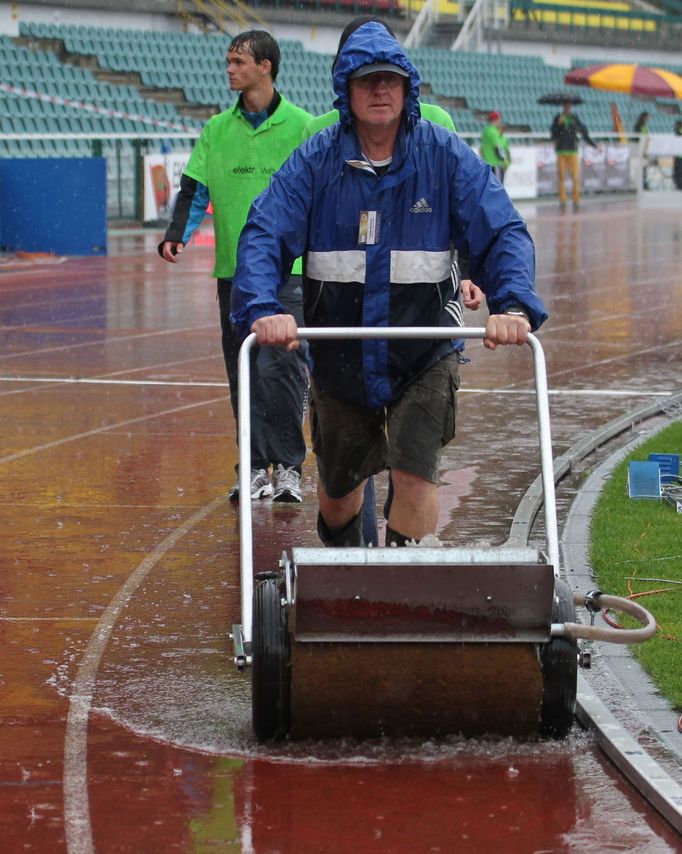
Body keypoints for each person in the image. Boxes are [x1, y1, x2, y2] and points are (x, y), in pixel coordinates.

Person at [231, 21, 547, 549]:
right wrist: (263, 305)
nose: (380, 92)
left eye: (390, 81)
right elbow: (264, 231)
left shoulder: (443, 156)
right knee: (338, 492)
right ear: (345, 91)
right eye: (367, 82)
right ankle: (345, 579)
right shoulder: (315, 163)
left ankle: (405, 599)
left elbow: (504, 229)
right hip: (339, 356)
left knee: (415, 475)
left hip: (424, 350)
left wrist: (513, 304)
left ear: (407, 88)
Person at [159, 30, 311, 503]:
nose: (229, 69)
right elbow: (194, 187)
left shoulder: (303, 126)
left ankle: (287, 466)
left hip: (291, 271)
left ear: (266, 66)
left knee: (281, 369)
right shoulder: (216, 130)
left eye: (238, 61)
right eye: (227, 61)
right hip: (233, 273)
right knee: (241, 370)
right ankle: (252, 466)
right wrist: (176, 235)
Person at [550, 100, 597, 212]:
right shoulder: (558, 118)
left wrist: (594, 145)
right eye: (566, 105)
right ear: (563, 107)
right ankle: (563, 200)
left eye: (569, 106)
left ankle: (576, 200)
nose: (568, 108)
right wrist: (558, 125)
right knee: (561, 177)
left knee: (575, 177)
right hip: (561, 151)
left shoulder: (574, 118)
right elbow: (553, 134)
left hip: (573, 151)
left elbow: (584, 133)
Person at [480, 110, 511, 184]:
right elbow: (498, 148)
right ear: (497, 119)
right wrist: (505, 162)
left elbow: (482, 149)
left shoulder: (486, 130)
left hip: (488, 162)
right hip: (495, 164)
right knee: (498, 186)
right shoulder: (493, 131)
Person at [633, 111, 650, 189]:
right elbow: (636, 137)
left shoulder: (644, 126)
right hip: (640, 149)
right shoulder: (638, 126)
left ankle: (644, 183)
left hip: (645, 149)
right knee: (641, 167)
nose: (648, 119)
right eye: (647, 117)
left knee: (644, 167)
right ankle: (641, 183)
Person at [673, 118, 682, 191]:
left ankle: (679, 185)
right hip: (677, 155)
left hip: (679, 156)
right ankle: (678, 184)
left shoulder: (678, 132)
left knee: (678, 171)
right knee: (677, 171)